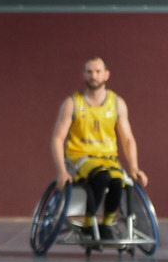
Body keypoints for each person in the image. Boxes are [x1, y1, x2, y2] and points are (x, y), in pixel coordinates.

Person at [50, 57, 148, 241]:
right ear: (84, 75)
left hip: (107, 157)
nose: (93, 76)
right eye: (89, 72)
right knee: (101, 176)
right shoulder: (72, 103)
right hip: (79, 155)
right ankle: (89, 223)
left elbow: (128, 139)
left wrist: (134, 167)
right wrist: (61, 171)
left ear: (106, 74)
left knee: (118, 181)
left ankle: (105, 225)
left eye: (97, 72)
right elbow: (58, 138)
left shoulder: (117, 103)